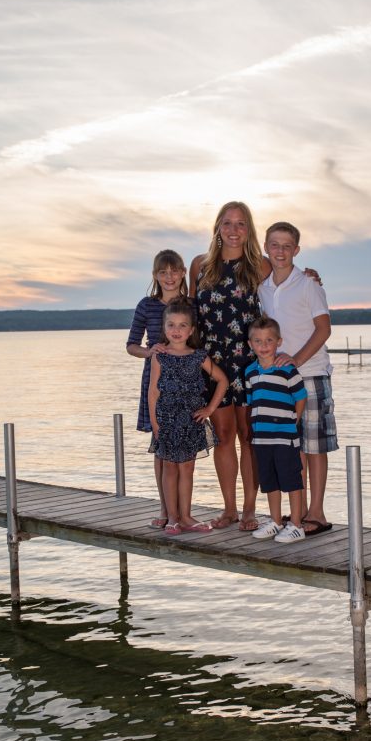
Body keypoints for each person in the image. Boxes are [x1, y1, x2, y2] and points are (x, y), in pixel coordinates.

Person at [258, 221, 338, 536]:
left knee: (315, 446)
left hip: (311, 373)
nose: (280, 251)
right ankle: (297, 514)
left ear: (297, 250)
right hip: (281, 380)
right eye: (274, 245)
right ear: (266, 247)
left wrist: (298, 359)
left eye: (287, 246)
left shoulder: (308, 284)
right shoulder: (263, 288)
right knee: (294, 447)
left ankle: (317, 513)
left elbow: (324, 328)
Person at [189, 202, 265, 531]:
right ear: (218, 227)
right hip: (212, 363)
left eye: (241, 224)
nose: (234, 230)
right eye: (228, 223)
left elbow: (286, 283)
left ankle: (249, 509)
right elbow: (188, 312)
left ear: (249, 230)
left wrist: (309, 275)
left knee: (249, 435)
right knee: (222, 436)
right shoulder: (200, 265)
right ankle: (229, 509)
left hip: (248, 361)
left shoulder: (260, 265)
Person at [148, 298, 228, 536]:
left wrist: (209, 410)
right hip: (167, 420)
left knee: (187, 469)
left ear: (191, 330)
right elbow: (153, 392)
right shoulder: (159, 356)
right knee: (169, 468)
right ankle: (172, 518)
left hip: (191, 421)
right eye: (171, 325)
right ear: (164, 328)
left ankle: (186, 516)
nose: (176, 330)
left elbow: (222, 380)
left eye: (182, 325)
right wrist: (154, 423)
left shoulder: (198, 356)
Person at [126, 250, 188, 528]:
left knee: (184, 446)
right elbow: (131, 345)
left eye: (174, 271)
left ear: (183, 273)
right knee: (161, 443)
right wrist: (149, 352)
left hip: (186, 379)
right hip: (156, 379)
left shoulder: (190, 304)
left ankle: (181, 512)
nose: (169, 277)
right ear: (155, 275)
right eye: (163, 272)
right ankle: (165, 510)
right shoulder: (146, 305)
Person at [245, 317, 307, 543]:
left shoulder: (287, 369)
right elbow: (252, 401)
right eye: (258, 341)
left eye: (269, 340)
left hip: (284, 436)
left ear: (278, 342)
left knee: (291, 479)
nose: (263, 345)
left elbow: (301, 397)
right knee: (269, 480)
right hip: (262, 437)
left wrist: (294, 420)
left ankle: (297, 525)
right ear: (250, 344)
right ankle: (276, 521)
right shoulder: (250, 372)